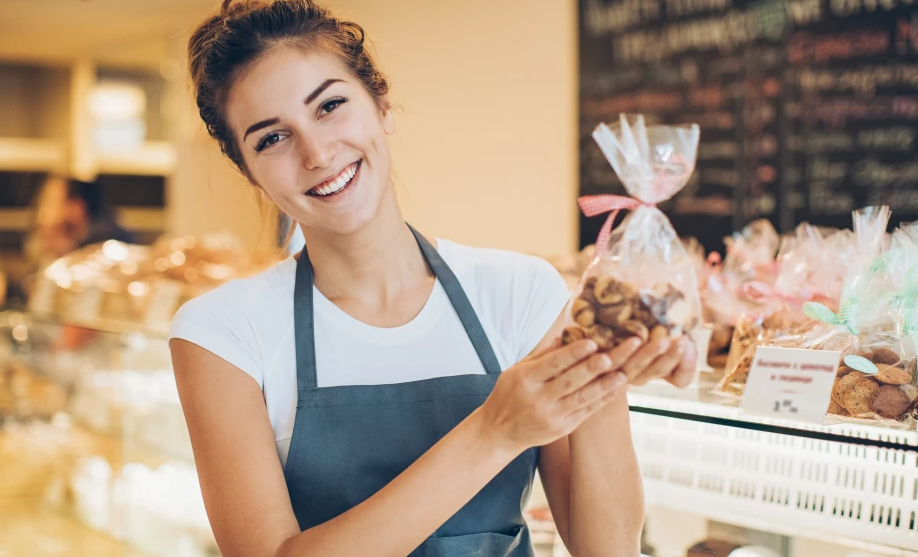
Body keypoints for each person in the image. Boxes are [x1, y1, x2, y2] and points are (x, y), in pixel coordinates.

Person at [168, 2, 697, 556]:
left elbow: (604, 549)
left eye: (330, 105)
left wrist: (605, 366)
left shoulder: (520, 293)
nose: (318, 153)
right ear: (247, 169)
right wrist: (493, 431)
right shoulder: (221, 333)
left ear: (382, 104)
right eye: (271, 138)